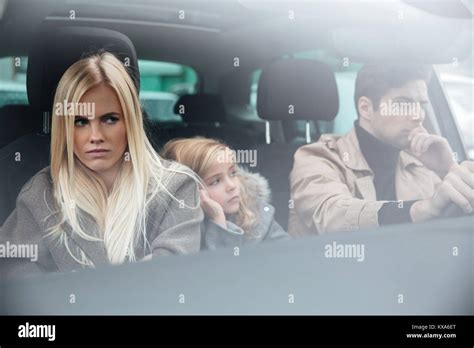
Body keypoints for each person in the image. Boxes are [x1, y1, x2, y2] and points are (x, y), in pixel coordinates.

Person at [0, 52, 203, 278]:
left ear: (131, 122)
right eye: (80, 122)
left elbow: (170, 279)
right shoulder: (42, 194)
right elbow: (17, 280)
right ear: (64, 128)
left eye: (110, 119)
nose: (95, 136)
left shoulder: (175, 187)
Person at [289, 64, 474, 236]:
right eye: (403, 104)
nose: (418, 116)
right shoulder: (316, 158)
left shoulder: (422, 163)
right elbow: (332, 217)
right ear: (366, 108)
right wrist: (423, 209)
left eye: (422, 105)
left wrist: (447, 170)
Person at [160, 137, 290, 250]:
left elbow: (290, 257)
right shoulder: (178, 234)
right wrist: (218, 222)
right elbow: (222, 271)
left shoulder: (254, 213)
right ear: (189, 191)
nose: (232, 186)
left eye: (233, 173)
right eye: (215, 181)